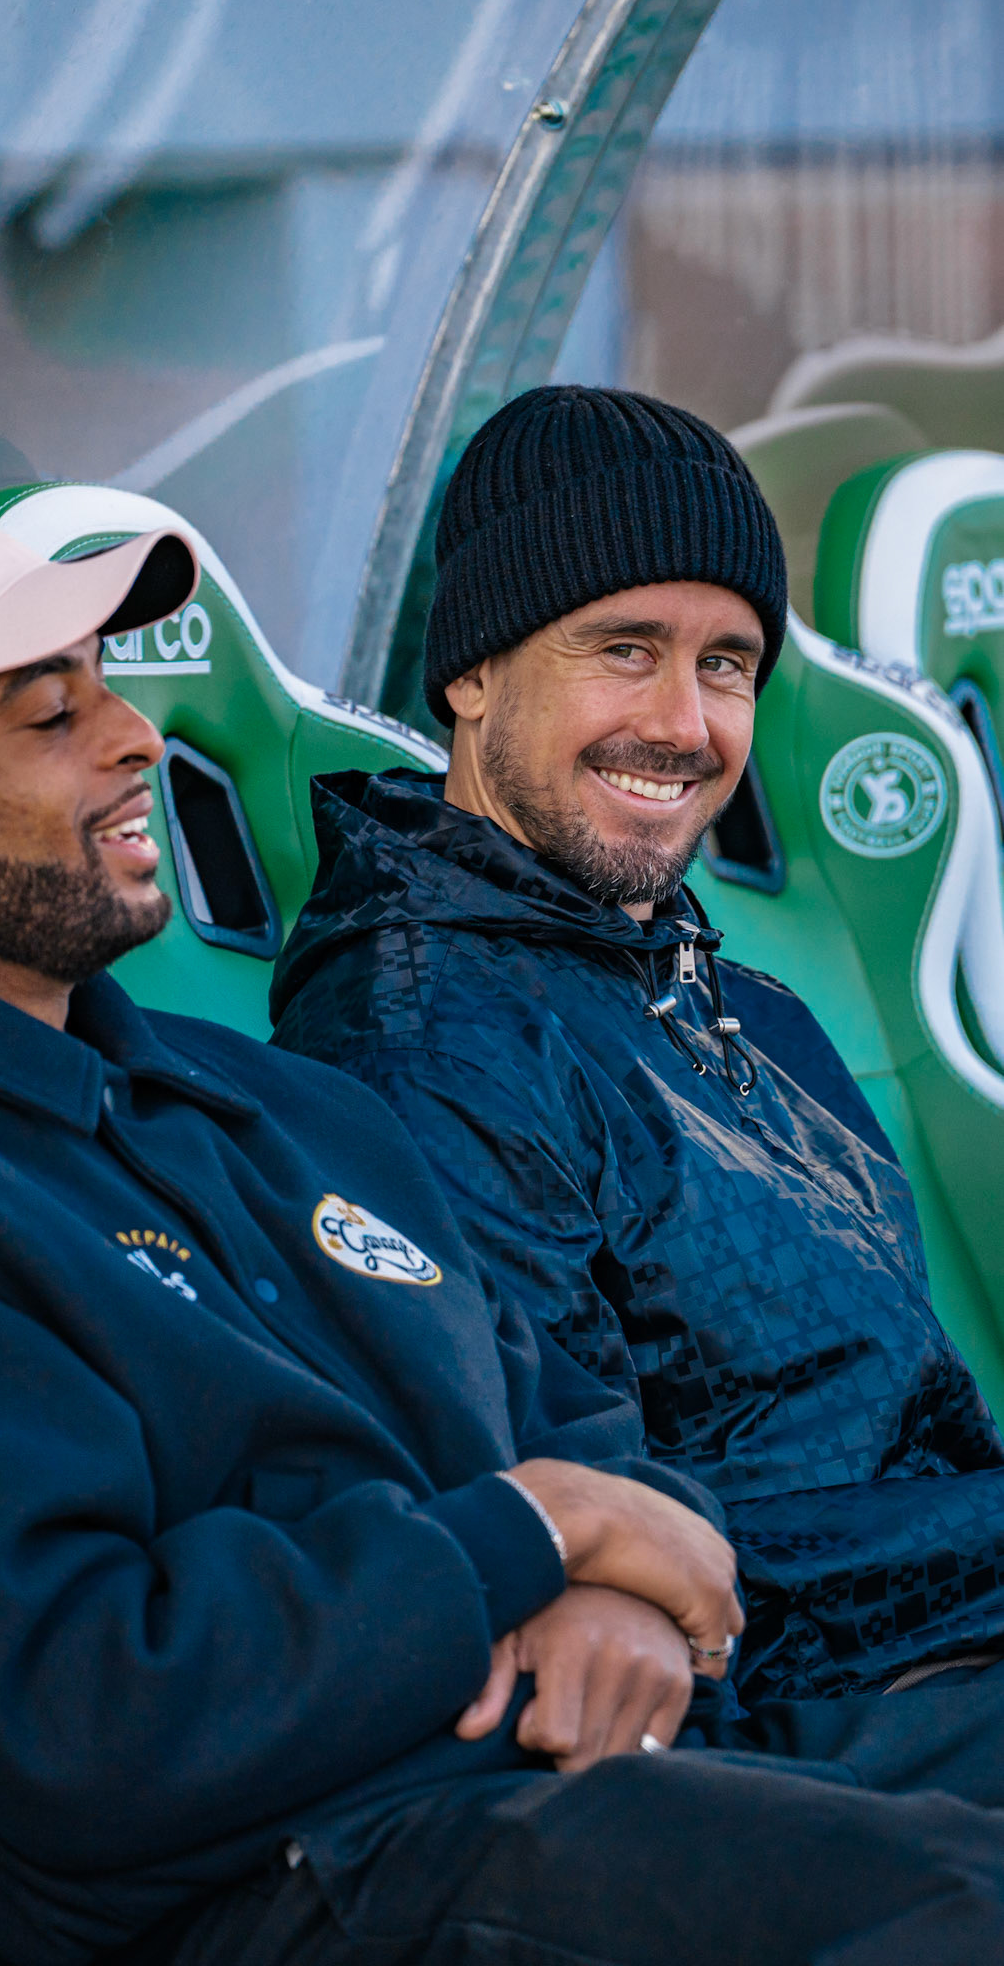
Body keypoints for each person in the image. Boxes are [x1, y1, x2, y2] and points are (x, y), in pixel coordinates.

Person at [0, 497, 1004, 1966]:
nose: (135, 737)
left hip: (575, 1767)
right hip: (299, 1879)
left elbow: (577, 1422)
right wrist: (523, 1540)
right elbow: (91, 1714)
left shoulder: (262, 1103)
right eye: (46, 714)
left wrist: (622, 1586)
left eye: (107, 684)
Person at [269, 384, 1004, 1710]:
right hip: (811, 1720)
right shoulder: (423, 1039)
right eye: (623, 648)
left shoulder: (733, 1000)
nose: (683, 723)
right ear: (472, 673)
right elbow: (596, 1525)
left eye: (725, 662)